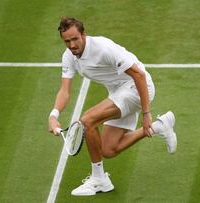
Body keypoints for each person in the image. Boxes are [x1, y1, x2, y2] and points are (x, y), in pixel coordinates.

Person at [48, 17, 177, 196]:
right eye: (67, 41)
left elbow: (139, 75)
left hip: (138, 88)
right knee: (108, 149)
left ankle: (99, 179)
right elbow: (65, 91)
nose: (71, 45)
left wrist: (146, 113)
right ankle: (160, 126)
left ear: (83, 35)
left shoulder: (103, 49)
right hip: (118, 92)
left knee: (87, 120)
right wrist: (53, 115)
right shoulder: (68, 57)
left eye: (75, 39)